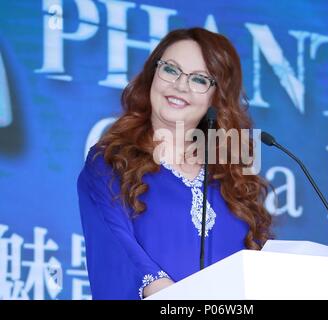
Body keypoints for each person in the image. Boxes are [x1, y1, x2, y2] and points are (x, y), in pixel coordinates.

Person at [77, 27, 272, 300]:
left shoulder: (234, 181)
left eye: (199, 79)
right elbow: (120, 250)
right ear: (152, 76)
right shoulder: (110, 162)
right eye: (171, 70)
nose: (180, 85)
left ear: (217, 97)